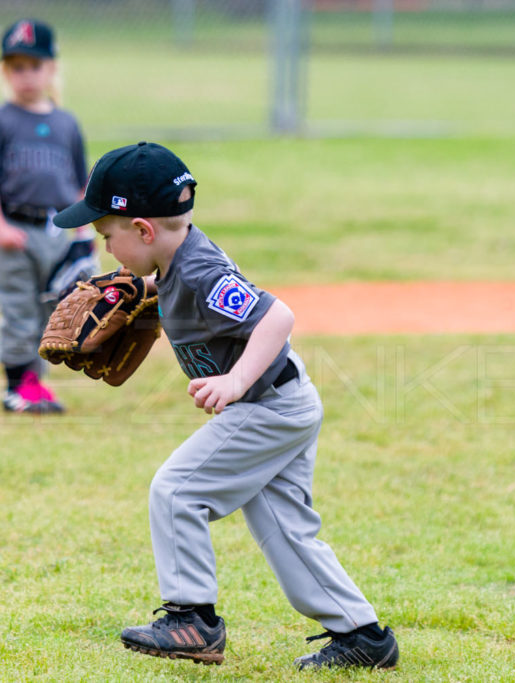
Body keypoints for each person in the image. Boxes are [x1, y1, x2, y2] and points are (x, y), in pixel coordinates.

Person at [52, 142, 399, 671]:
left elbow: (276, 317)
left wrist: (235, 381)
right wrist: (143, 285)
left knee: (176, 490)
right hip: (286, 401)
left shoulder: (199, 271)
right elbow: (173, 282)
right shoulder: (175, 262)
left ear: (144, 230)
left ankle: (193, 619)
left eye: (109, 237)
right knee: (284, 527)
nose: (107, 252)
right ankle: (362, 635)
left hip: (267, 405)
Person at [0, 19, 90, 414]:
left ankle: (34, 383)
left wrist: (84, 233)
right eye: (16, 67)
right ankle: (18, 388)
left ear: (52, 68)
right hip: (13, 232)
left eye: (34, 66)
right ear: (5, 72)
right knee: (19, 311)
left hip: (56, 231)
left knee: (49, 311)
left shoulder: (66, 123)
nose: (26, 75)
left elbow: (79, 186)